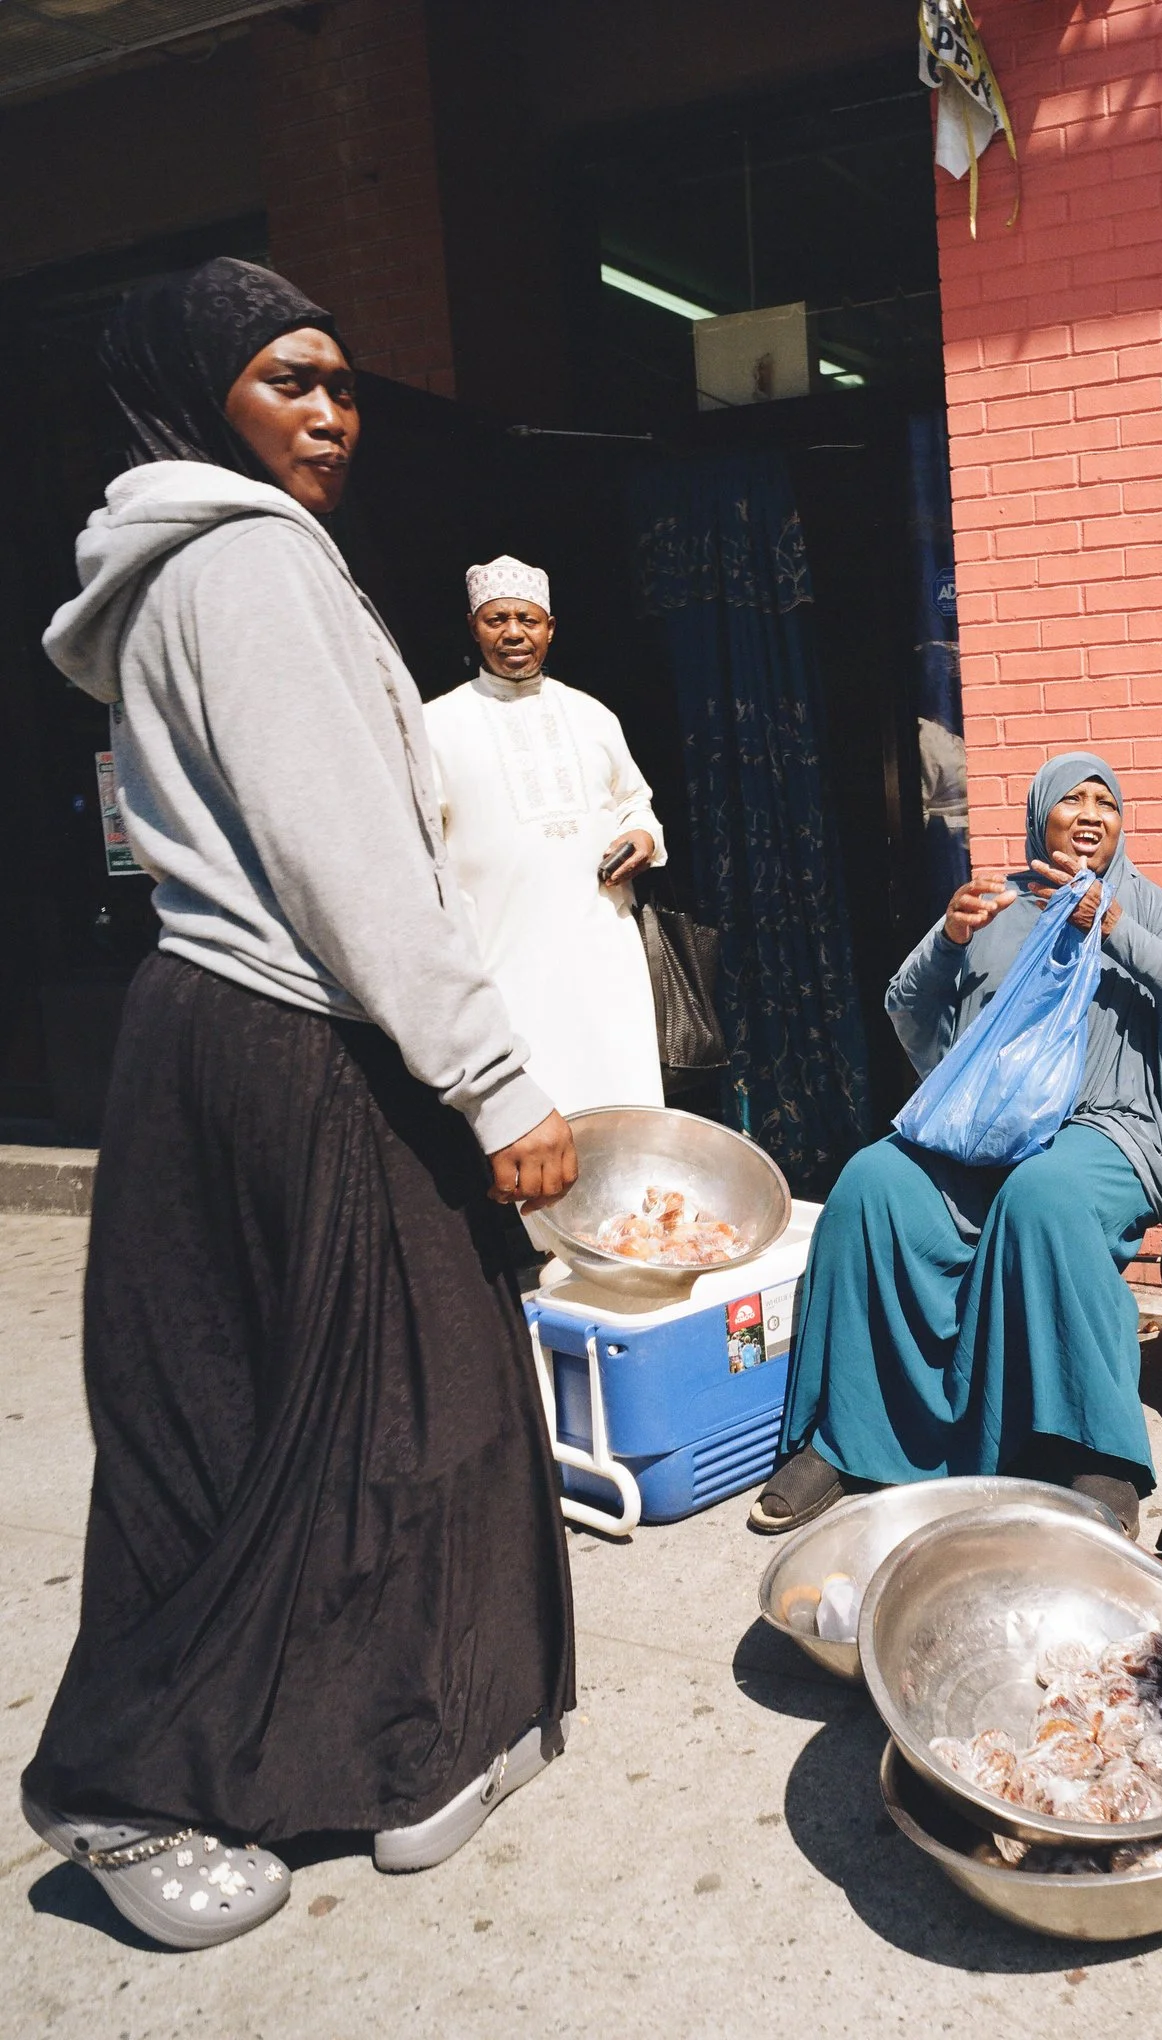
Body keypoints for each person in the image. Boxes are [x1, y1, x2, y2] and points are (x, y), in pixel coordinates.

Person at [21, 259, 579, 1949]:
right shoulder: (252, 565)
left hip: (214, 1036)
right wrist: (494, 1086)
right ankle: (133, 1782)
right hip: (303, 1035)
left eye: (340, 381)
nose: (331, 414)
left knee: (261, 1413)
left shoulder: (175, 576)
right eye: (288, 382)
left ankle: (380, 1752)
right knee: (426, 1400)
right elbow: (350, 865)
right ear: (200, 400)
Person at [753, 753, 1162, 1538]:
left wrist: (1112, 930)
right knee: (870, 1183)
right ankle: (844, 1440)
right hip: (991, 1127)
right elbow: (909, 1010)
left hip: (1110, 1128)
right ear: (1038, 816)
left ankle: (1098, 1453)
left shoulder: (1143, 908)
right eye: (1071, 801)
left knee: (1043, 1195)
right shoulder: (998, 902)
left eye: (1105, 802)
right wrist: (947, 940)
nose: (1090, 815)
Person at [426, 555, 669, 1113]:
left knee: (623, 1106)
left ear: (550, 628)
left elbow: (635, 801)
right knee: (532, 1118)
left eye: (528, 619)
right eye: (497, 619)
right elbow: (419, 848)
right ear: (473, 627)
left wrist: (642, 836)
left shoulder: (592, 716)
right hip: (500, 961)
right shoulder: (434, 725)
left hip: (603, 954)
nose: (513, 632)